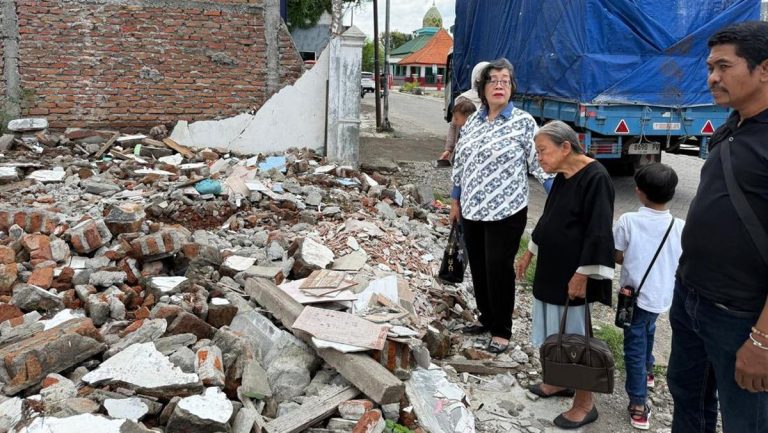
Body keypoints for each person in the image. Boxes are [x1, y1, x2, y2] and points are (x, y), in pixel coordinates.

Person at [668, 21, 768, 433]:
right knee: (687, 399)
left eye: (724, 66)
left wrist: (762, 341)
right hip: (691, 298)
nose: (712, 77)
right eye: (710, 67)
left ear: (764, 69)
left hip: (741, 317)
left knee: (747, 421)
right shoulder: (733, 125)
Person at [450, 58, 553, 354]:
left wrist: (560, 194)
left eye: (505, 81)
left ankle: (502, 330)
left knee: (498, 268)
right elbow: (461, 163)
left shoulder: (523, 122)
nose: (499, 85)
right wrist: (455, 200)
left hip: (506, 211)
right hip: (471, 209)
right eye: (493, 80)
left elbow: (540, 164)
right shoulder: (473, 121)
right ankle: (486, 318)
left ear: (511, 87)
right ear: (482, 88)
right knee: (479, 267)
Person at [516, 120, 615, 429]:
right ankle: (558, 380)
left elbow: (599, 231)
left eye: (542, 151)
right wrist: (529, 252)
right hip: (552, 269)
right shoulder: (562, 176)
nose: (539, 158)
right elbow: (549, 218)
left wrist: (583, 274)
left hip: (575, 272)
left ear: (566, 147)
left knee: (575, 336)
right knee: (553, 328)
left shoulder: (596, 178)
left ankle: (585, 403)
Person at [613, 163, 684, 430]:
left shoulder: (628, 221)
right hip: (662, 296)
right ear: (672, 194)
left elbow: (617, 255)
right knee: (649, 328)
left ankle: (638, 405)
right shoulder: (680, 226)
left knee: (634, 345)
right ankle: (649, 369)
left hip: (633, 297)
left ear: (639, 192)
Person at [439, 61, 488, 161]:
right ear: (476, 78)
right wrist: (449, 149)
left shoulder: (492, 101)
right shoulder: (464, 99)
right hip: (462, 149)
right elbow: (454, 125)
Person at [438, 99, 477, 164]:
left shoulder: (472, 134)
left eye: (456, 119)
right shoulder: (461, 129)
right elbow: (452, 128)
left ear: (467, 118)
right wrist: (448, 150)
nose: (455, 122)